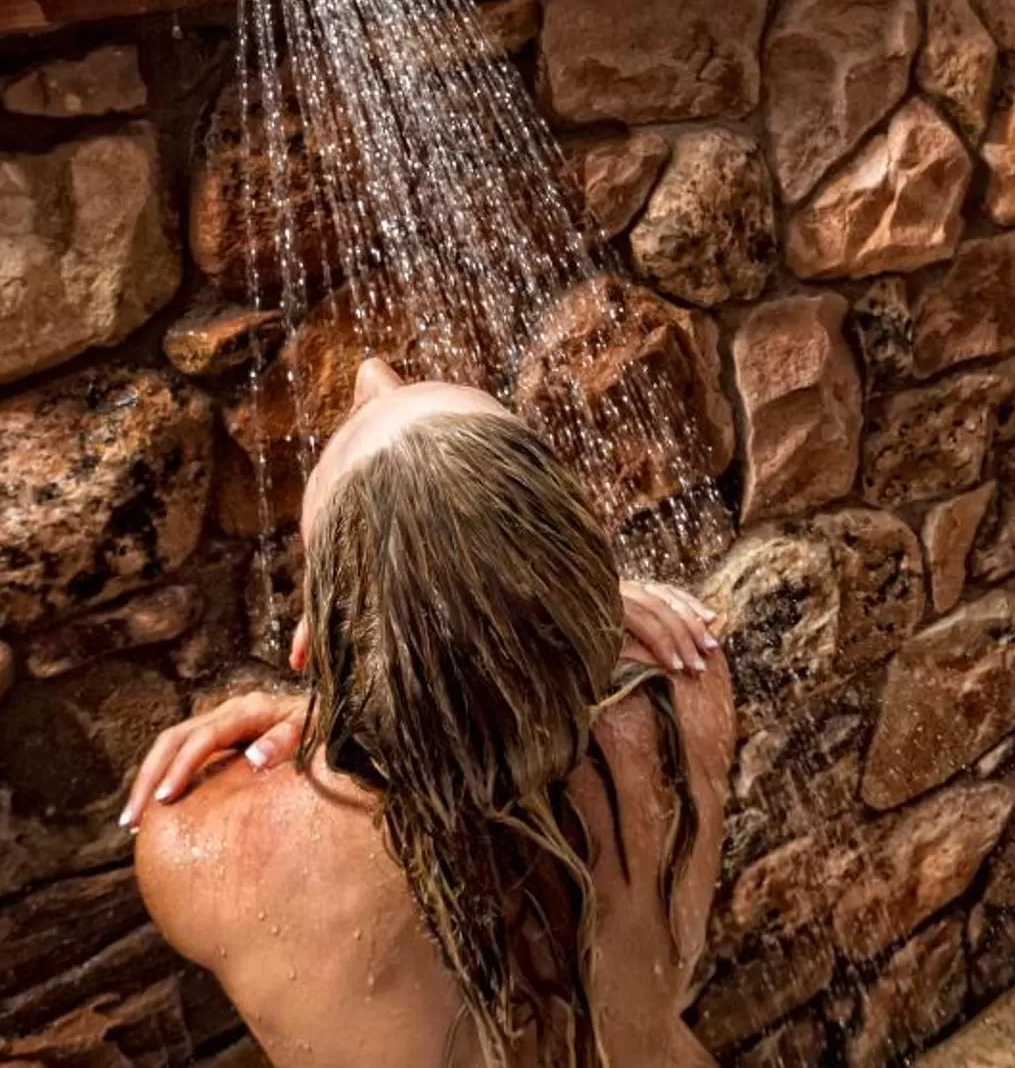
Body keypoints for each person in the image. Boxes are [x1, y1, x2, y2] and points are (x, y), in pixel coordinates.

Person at [124, 356, 734, 1067]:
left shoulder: (202, 847)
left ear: (317, 638)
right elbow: (504, 727)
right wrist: (569, 616)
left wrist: (335, 711)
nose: (371, 373)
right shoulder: (686, 686)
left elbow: (451, 748)